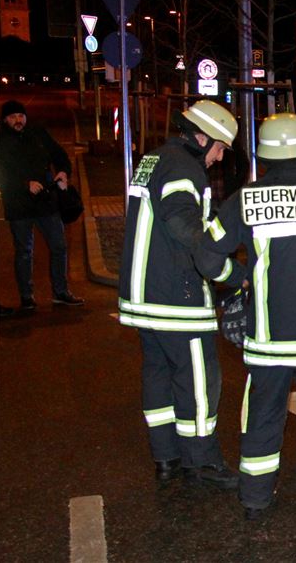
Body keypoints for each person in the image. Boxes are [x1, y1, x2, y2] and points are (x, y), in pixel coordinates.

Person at [194, 113, 296, 540]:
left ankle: (254, 499)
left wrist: (239, 277)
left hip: (268, 336)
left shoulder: (245, 198)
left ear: (263, 153)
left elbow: (207, 256)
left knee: (263, 414)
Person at [117, 100, 240, 490]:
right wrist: (229, 272)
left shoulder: (154, 158)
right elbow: (185, 227)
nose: (219, 157)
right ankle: (201, 462)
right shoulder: (183, 168)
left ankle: (166, 457)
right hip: (175, 296)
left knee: (158, 374)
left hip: (142, 295)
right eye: (219, 146)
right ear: (201, 136)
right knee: (200, 379)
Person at [0, 100, 84, 310]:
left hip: (46, 202)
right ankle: (27, 297)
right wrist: (24, 184)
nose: (18, 120)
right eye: (13, 117)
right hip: (19, 205)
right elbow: (1, 174)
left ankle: (61, 292)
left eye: (21, 116)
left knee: (59, 246)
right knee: (24, 251)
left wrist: (63, 171)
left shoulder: (38, 134)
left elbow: (60, 155)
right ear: (5, 120)